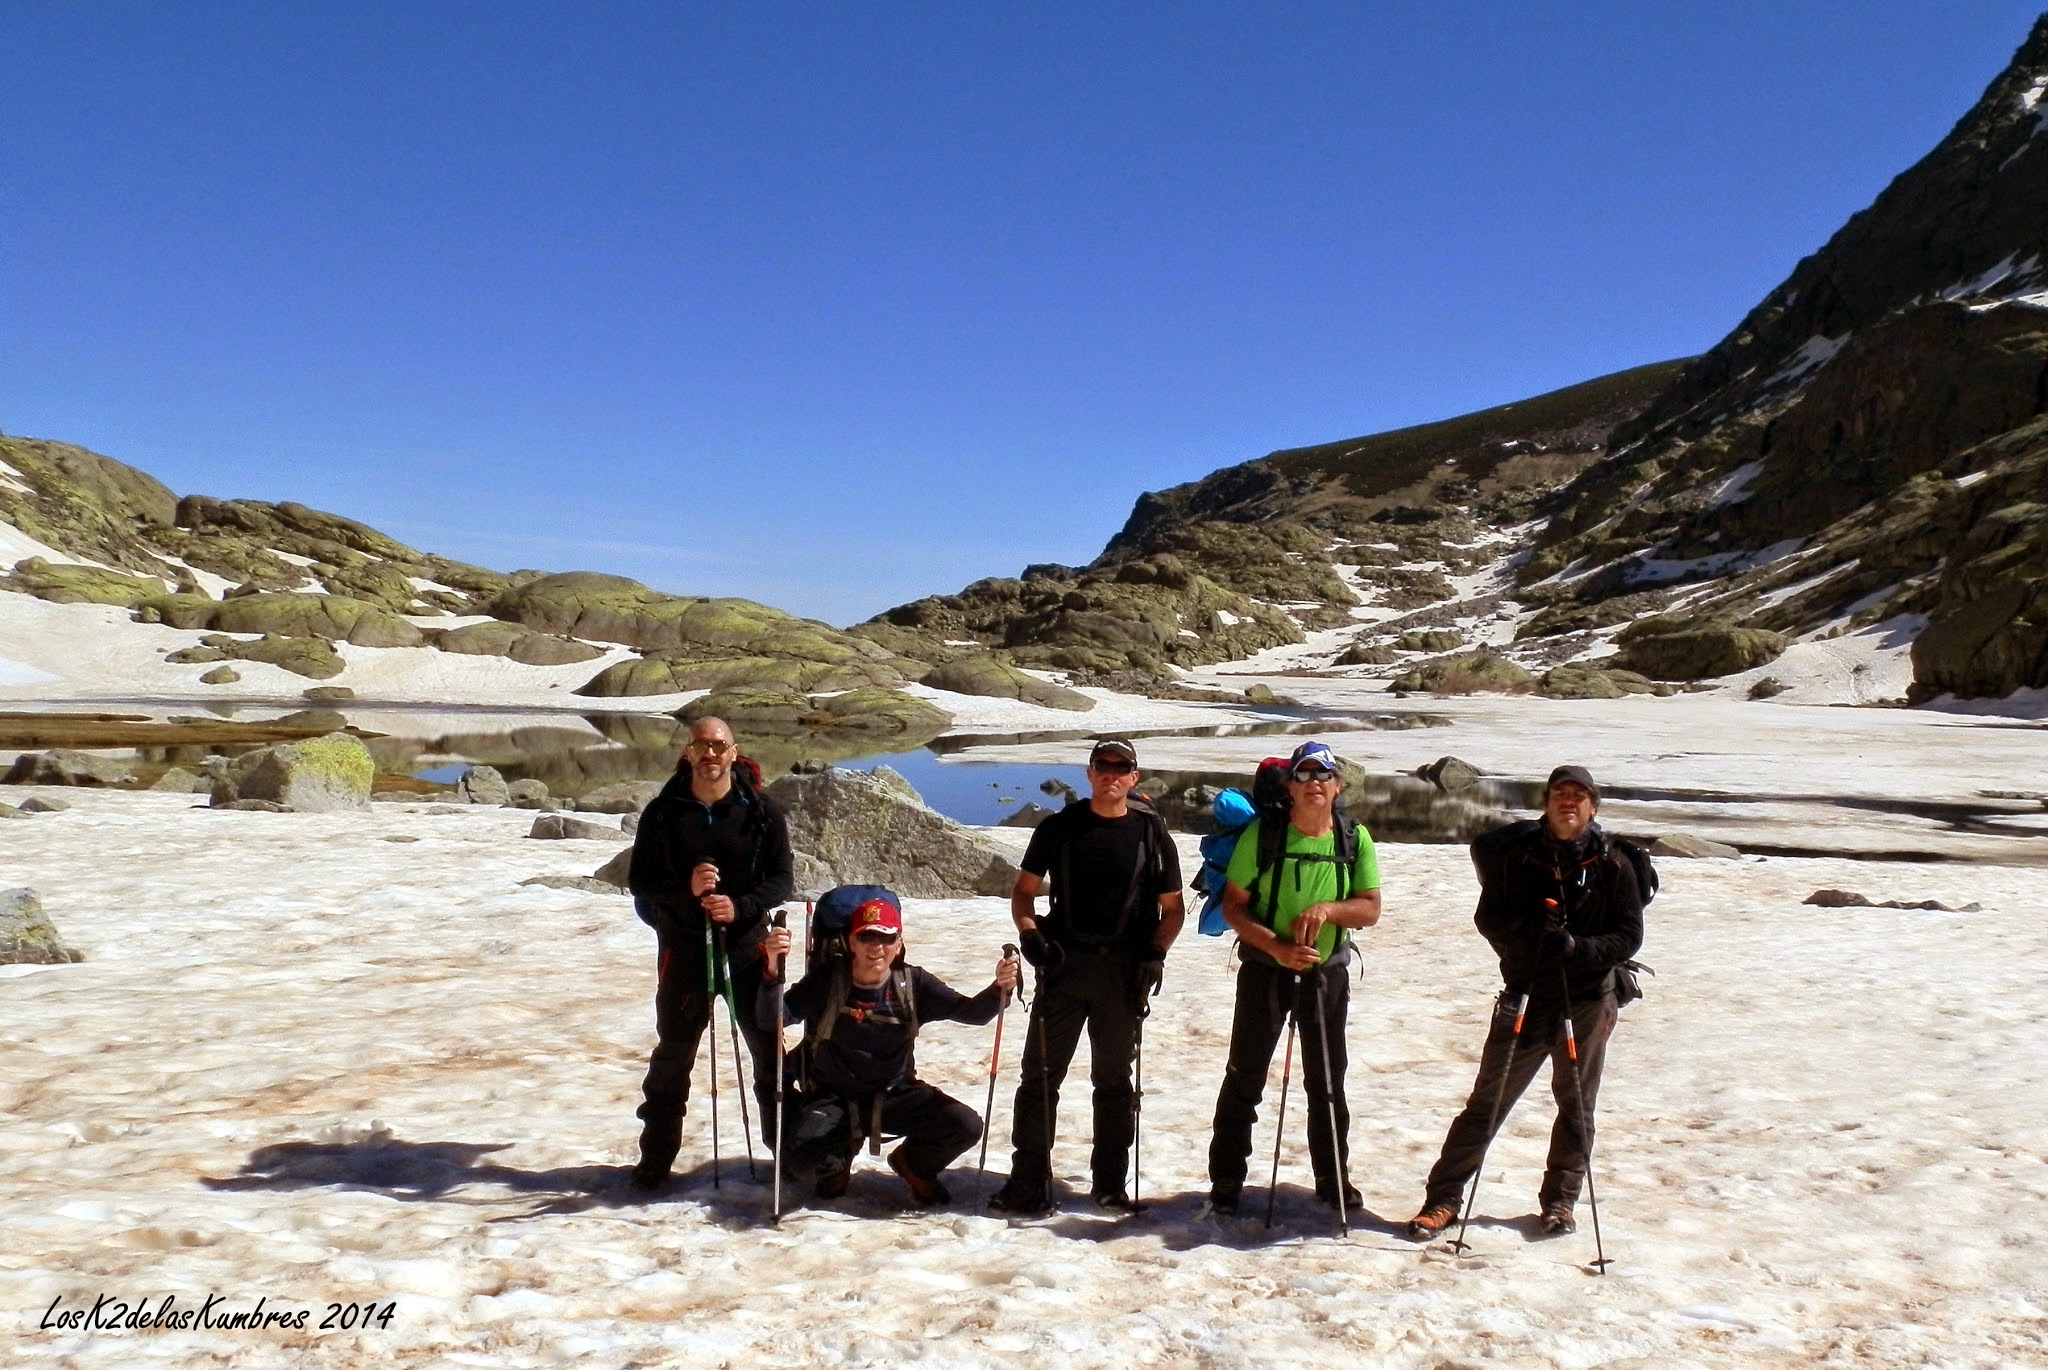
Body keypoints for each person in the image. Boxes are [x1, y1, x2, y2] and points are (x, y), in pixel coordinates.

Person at [1406, 765, 1645, 1240]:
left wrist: (1577, 950)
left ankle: (1560, 1203)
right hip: (1527, 995)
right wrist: (1530, 936)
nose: (1568, 802)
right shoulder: (1516, 857)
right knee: (1488, 1102)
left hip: (1588, 1000)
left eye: (1579, 795)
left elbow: (1628, 937)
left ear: (1593, 807)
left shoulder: (1614, 864)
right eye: (1560, 793)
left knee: (1577, 1105)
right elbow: (1488, 919)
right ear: (1546, 802)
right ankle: (1443, 1200)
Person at [987, 738, 1185, 1215]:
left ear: (1134, 777)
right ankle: (1029, 1181)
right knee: (1039, 1078)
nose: (1111, 774)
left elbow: (1172, 910)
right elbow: (1023, 894)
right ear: (1090, 772)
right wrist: (1030, 933)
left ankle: (1110, 1183)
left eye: (1121, 767)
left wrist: (1156, 952)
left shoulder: (1152, 835)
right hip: (1063, 967)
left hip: (1122, 974)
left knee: (1115, 1081)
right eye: (1103, 765)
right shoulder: (1059, 828)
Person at [1206, 740, 1383, 1215]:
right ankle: (1226, 1182)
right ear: (1289, 786)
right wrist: (1277, 948)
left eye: (1322, 776)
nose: (1314, 784)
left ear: (1338, 785)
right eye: (1303, 776)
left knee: (1327, 1080)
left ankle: (1332, 1179)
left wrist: (1328, 909)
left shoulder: (1353, 839)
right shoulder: (1263, 836)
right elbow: (1234, 906)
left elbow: (1369, 908)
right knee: (1245, 1076)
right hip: (1265, 971)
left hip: (1326, 975)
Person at [758, 892, 1020, 1205]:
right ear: (852, 942)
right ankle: (835, 1162)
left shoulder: (914, 983)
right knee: (798, 1159)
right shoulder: (828, 980)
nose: (876, 947)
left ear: (898, 945)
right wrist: (772, 969)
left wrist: (999, 988)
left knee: (964, 1125)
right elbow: (770, 1019)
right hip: (833, 1098)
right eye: (866, 937)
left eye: (886, 938)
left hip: (896, 1094)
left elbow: (973, 1014)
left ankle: (914, 1164)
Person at [625, 716, 794, 1190]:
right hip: (683, 948)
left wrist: (739, 905)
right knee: (674, 1056)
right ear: (688, 752)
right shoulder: (662, 813)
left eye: (718, 745)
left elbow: (781, 879)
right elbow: (640, 881)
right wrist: (688, 888)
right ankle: (655, 1159)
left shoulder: (763, 812)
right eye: (702, 745)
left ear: (733, 752)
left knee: (768, 1053)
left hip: (747, 948)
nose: (710, 754)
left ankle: (785, 1153)